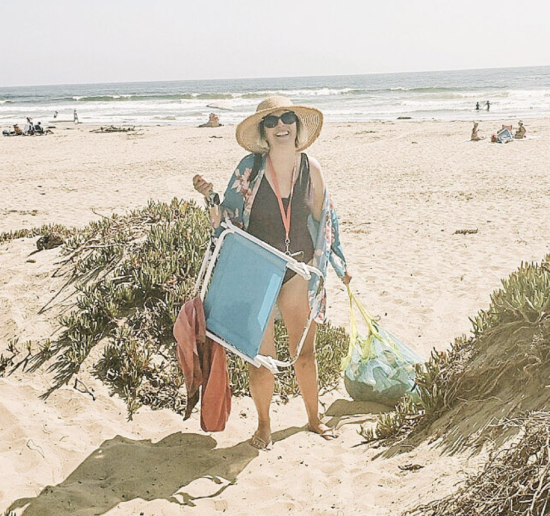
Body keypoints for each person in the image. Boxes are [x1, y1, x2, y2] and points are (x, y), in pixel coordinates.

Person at [193, 96, 352, 450]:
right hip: (257, 273)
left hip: (299, 269)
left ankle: (314, 419)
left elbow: (324, 219)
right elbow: (226, 224)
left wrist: (337, 263)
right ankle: (264, 425)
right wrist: (210, 198)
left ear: (297, 127)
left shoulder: (312, 167)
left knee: (305, 354)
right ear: (264, 133)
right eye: (272, 121)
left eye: (287, 118)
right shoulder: (249, 169)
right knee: (260, 359)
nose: (281, 125)